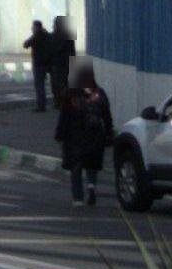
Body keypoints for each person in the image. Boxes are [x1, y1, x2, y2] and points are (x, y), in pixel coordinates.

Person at [57, 69, 115, 207]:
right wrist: (109, 133)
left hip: (75, 135)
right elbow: (107, 115)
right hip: (95, 134)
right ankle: (91, 186)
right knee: (91, 163)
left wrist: (60, 134)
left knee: (76, 166)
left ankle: (78, 199)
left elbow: (64, 117)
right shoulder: (99, 93)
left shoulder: (71, 95)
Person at [45, 16, 78, 109]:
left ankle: (59, 103)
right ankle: (66, 103)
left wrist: (48, 64)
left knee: (57, 85)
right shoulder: (69, 34)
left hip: (56, 64)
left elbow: (50, 51)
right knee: (65, 85)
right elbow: (72, 51)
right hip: (66, 64)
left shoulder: (52, 36)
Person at [21, 21, 53, 111]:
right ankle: (49, 104)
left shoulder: (36, 36)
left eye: (33, 27)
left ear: (37, 27)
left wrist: (33, 35)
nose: (32, 28)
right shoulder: (47, 35)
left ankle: (41, 106)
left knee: (39, 85)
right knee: (45, 85)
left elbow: (25, 44)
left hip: (38, 64)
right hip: (47, 63)